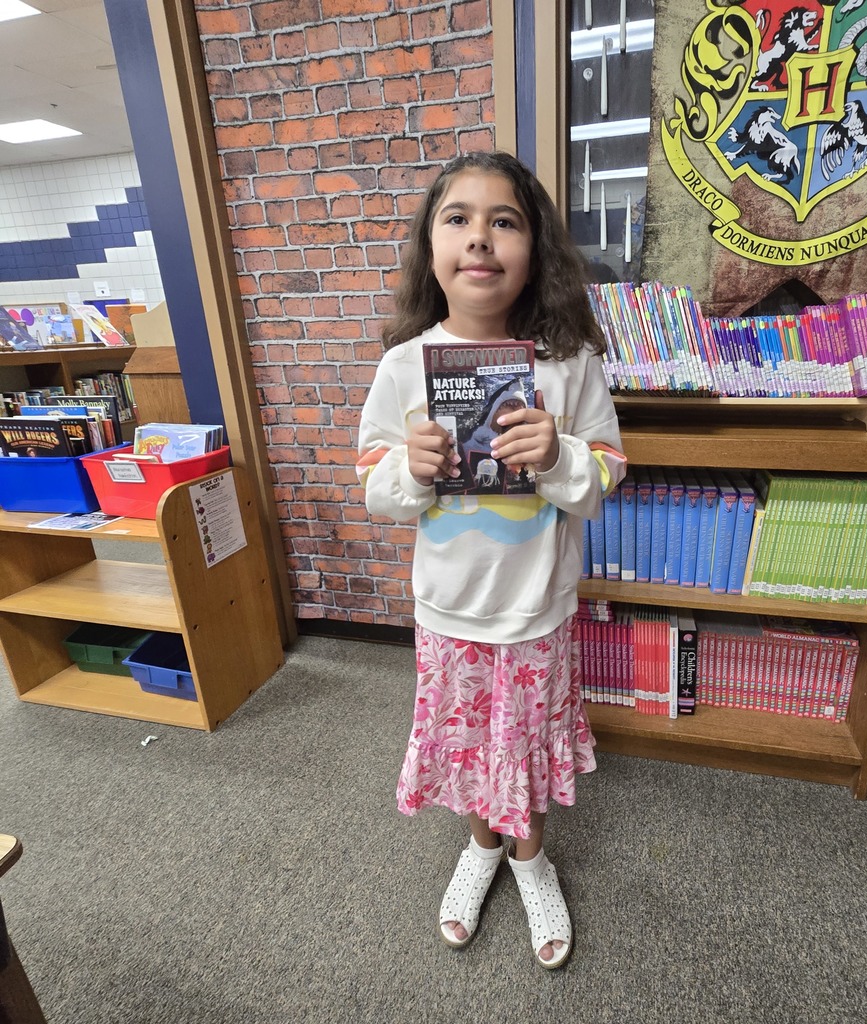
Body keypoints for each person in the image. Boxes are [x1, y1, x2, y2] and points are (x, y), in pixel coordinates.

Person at [356, 152, 626, 970]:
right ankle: (481, 848)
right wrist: (413, 470)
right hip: (449, 612)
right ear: (430, 249)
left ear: (534, 249)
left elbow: (607, 473)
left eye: (503, 221)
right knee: (472, 751)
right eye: (458, 219)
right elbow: (375, 485)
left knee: (529, 748)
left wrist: (560, 456)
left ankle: (530, 858)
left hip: (537, 609)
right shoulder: (404, 365)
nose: (480, 238)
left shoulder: (569, 362)